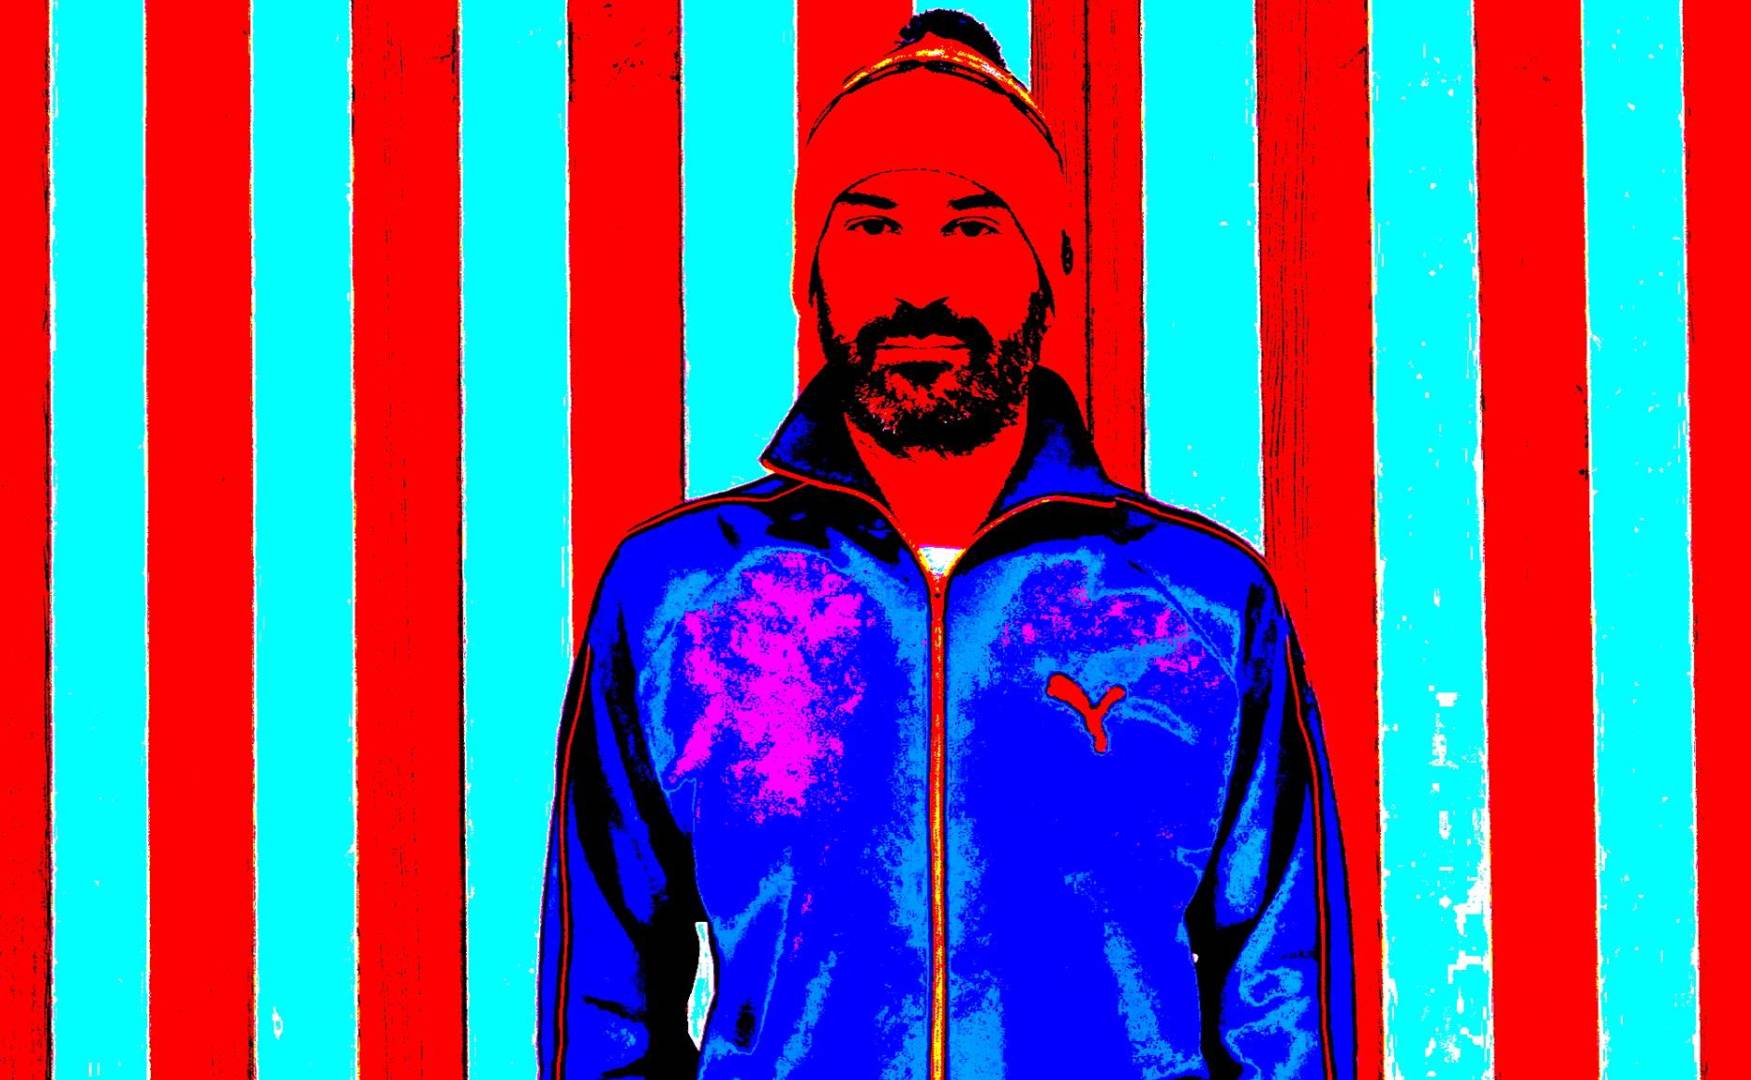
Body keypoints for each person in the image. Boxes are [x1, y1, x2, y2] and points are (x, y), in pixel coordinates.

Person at [537, 11, 1355, 1077]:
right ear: (811, 272)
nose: (920, 283)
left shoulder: (1203, 605)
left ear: (1047, 269)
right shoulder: (677, 595)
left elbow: (1285, 1000)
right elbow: (602, 1000)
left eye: (972, 229)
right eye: (872, 227)